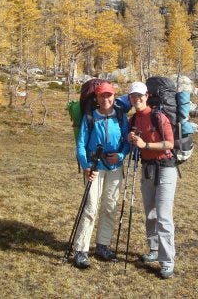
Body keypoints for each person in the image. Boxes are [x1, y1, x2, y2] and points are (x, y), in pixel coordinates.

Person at [72, 81, 130, 269]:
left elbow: (127, 142)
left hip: (115, 168)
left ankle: (102, 246)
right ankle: (81, 249)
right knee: (90, 207)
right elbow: (81, 144)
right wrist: (86, 165)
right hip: (94, 166)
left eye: (109, 95)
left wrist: (121, 155)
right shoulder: (90, 117)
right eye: (102, 95)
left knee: (110, 207)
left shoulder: (120, 116)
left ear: (114, 97)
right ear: (96, 98)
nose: (106, 99)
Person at [127, 81, 177, 279]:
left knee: (163, 216)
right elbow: (135, 143)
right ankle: (154, 249)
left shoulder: (158, 116)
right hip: (147, 169)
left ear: (146, 96)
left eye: (139, 95)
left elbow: (169, 144)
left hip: (165, 169)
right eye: (133, 96)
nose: (136, 99)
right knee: (150, 213)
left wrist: (145, 144)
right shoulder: (133, 120)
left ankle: (167, 261)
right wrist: (132, 140)